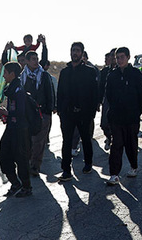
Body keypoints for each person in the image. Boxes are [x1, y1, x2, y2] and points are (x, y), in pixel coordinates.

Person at [56, 41, 99, 181]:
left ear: (82, 53)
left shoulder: (89, 71)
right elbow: (60, 92)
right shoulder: (65, 72)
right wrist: (60, 110)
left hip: (84, 113)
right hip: (67, 113)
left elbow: (94, 94)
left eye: (77, 50)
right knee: (66, 141)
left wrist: (91, 112)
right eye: (73, 50)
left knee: (86, 140)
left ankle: (88, 163)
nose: (75, 53)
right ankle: (66, 170)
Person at [105, 46, 142, 185]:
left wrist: (136, 112)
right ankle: (114, 174)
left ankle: (134, 166)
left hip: (132, 118)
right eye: (117, 58)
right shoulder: (112, 75)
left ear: (128, 57)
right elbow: (109, 95)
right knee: (116, 145)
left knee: (131, 144)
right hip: (116, 118)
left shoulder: (136, 74)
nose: (119, 60)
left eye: (122, 57)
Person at [0, 62, 33, 197]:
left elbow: (21, 112)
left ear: (12, 74)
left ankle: (26, 187)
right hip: (11, 127)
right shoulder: (11, 89)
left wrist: (8, 114)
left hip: (20, 130)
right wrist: (6, 116)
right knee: (3, 155)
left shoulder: (19, 90)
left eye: (5, 73)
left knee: (21, 159)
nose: (3, 76)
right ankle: (15, 183)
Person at [21, 49, 54, 176]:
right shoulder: (23, 76)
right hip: (28, 113)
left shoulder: (44, 75)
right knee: (27, 140)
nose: (36, 61)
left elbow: (49, 93)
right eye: (33, 59)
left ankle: (35, 166)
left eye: (37, 58)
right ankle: (28, 163)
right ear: (27, 61)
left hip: (42, 112)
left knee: (39, 142)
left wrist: (48, 111)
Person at [98, 49, 117, 151]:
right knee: (104, 124)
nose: (114, 58)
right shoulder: (104, 71)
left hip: (119, 103)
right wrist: (98, 101)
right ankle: (109, 137)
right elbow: (100, 87)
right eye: (112, 56)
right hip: (107, 100)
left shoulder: (123, 71)